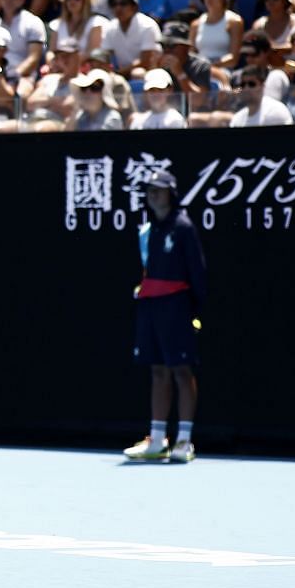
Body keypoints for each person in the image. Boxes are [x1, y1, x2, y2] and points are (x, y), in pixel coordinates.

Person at [123, 168, 205, 465]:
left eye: (158, 190)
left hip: (177, 309)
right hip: (151, 308)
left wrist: (195, 312)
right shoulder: (149, 230)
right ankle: (158, 439)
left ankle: (184, 439)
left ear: (171, 193)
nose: (152, 195)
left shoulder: (183, 227)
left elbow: (198, 274)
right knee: (157, 370)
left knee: (181, 371)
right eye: (149, 190)